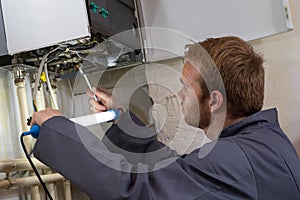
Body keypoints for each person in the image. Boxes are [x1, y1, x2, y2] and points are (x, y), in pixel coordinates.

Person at [31, 36, 300, 199]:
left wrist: (57, 128)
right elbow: (176, 175)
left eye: (186, 86)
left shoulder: (233, 159)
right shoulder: (265, 144)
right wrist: (122, 120)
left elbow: (136, 193)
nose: (179, 95)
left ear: (214, 100)